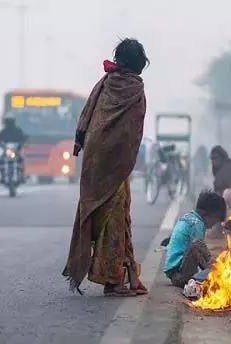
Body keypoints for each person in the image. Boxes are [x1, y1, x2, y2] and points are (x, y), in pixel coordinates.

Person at [62, 38, 149, 297]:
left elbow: (87, 114)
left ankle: (125, 274)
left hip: (93, 159)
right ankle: (113, 281)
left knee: (99, 210)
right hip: (116, 163)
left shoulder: (105, 83)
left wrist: (80, 140)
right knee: (116, 216)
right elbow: (132, 131)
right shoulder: (135, 89)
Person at [164, 189, 226, 288]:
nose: (214, 225)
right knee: (198, 245)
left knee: (201, 248)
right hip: (180, 275)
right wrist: (212, 267)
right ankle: (215, 275)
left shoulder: (189, 217)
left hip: (175, 274)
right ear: (207, 215)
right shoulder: (197, 224)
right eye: (215, 220)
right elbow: (198, 249)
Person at [209, 145, 231, 238]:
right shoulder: (221, 169)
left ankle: (222, 232)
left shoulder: (227, 168)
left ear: (222, 157)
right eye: (212, 159)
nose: (214, 161)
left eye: (216, 158)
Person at [0, 116, 27, 185]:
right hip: (7, 151)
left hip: (16, 151)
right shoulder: (3, 131)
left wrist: (23, 142)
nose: (9, 124)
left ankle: (21, 176)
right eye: (8, 122)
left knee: (21, 161)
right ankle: (3, 176)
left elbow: (23, 138)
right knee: (1, 161)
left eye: (10, 122)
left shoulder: (18, 130)